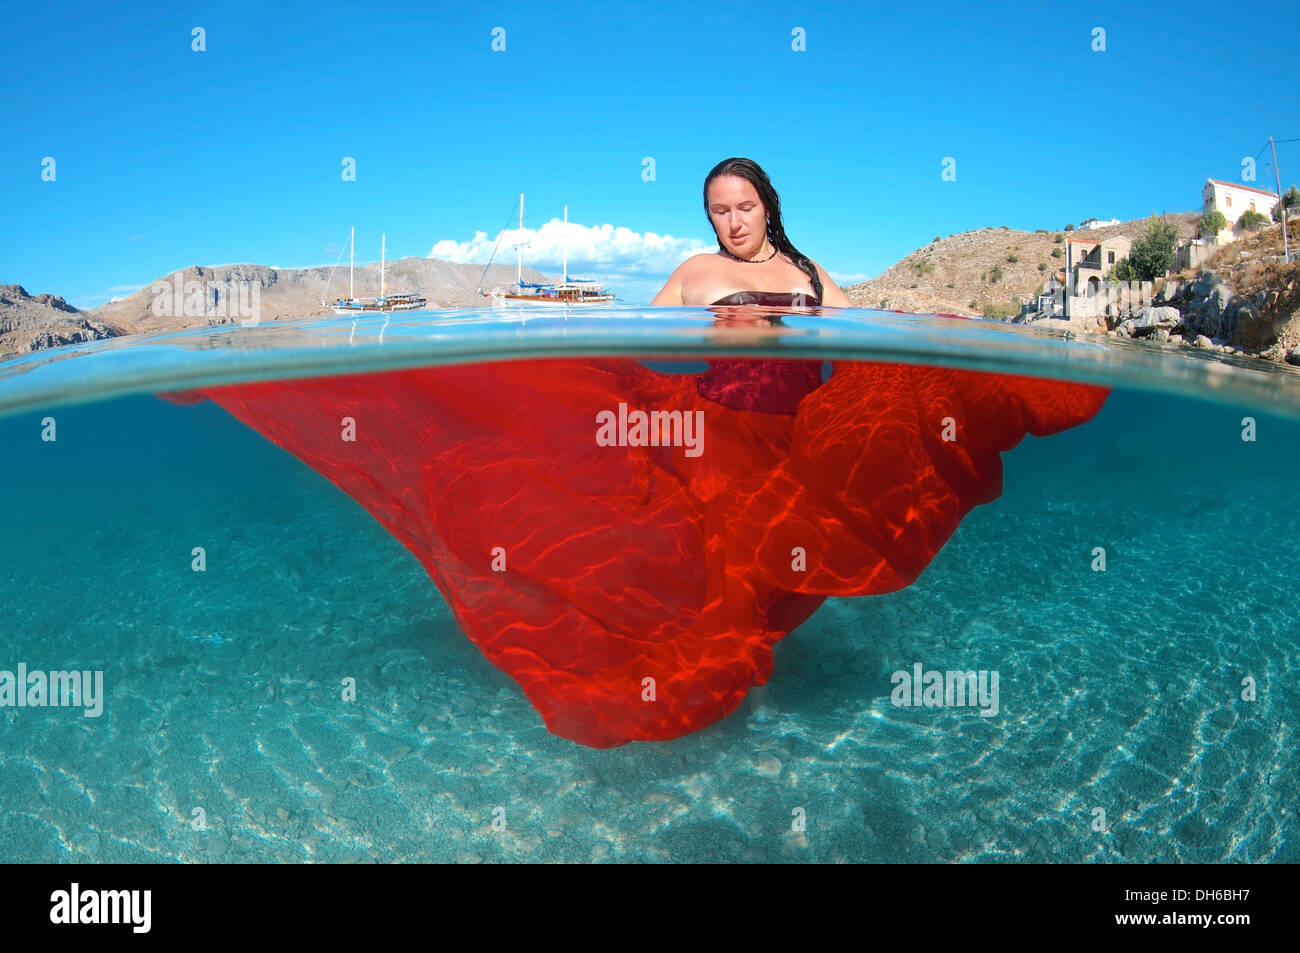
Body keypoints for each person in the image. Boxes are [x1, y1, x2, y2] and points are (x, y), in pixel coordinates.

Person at [650, 157, 855, 307]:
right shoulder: (693, 270)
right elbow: (645, 340)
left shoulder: (807, 269)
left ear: (766, 208)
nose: (734, 223)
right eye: (720, 211)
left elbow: (856, 340)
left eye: (746, 209)